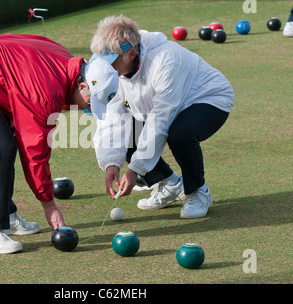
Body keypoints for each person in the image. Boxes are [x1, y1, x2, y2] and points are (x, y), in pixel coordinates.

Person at [0, 33, 118, 253]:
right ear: (84, 85)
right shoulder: (45, 95)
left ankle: (6, 216)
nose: (86, 110)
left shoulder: (66, 60)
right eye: (89, 103)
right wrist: (49, 204)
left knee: (5, 142)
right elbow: (34, 153)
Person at [90, 15, 234, 219]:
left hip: (209, 98)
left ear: (130, 54)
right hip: (159, 106)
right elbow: (112, 118)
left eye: (111, 62)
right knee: (129, 132)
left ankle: (198, 192)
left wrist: (134, 170)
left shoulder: (166, 60)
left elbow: (160, 121)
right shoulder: (113, 72)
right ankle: (168, 184)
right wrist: (111, 163)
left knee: (179, 134)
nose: (108, 69)